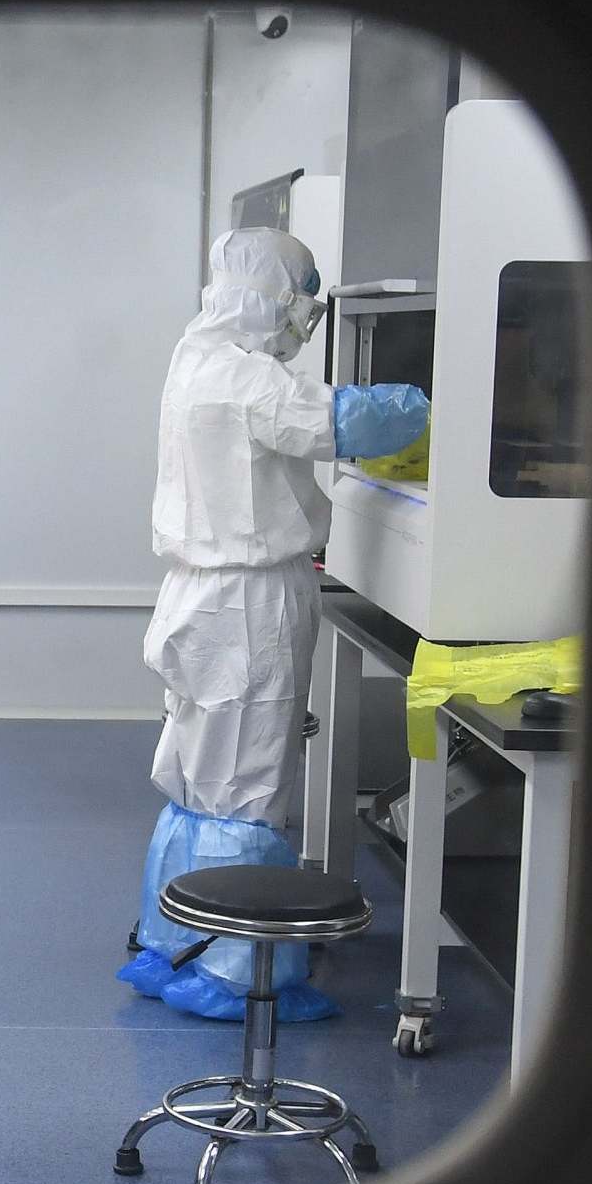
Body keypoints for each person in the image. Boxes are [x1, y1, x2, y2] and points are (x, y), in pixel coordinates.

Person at [118, 227, 429, 1021]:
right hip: (246, 606)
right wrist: (441, 399)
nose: (308, 319)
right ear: (272, 299)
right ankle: (237, 970)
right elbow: (345, 421)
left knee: (197, 779)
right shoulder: (248, 379)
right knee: (248, 788)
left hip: (196, 596)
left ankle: (174, 939)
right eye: (304, 300)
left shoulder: (195, 359)